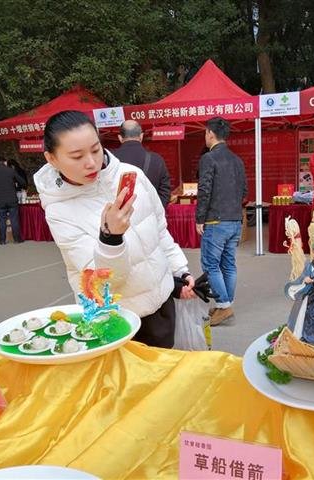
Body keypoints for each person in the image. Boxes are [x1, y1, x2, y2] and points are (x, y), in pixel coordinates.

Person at [34, 110, 195, 348]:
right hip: (115, 319)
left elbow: (159, 229)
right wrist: (111, 238)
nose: (91, 162)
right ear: (52, 158)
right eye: (77, 156)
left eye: (96, 149)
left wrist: (179, 270)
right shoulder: (59, 211)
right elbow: (101, 281)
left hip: (161, 306)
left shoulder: (133, 175)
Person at [195, 117, 248, 326]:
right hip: (235, 219)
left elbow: (204, 190)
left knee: (210, 264)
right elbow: (245, 191)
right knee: (228, 264)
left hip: (215, 221)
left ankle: (224, 306)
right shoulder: (237, 160)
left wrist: (200, 218)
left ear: (210, 133)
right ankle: (225, 305)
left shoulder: (209, 159)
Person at [113, 120, 171, 207]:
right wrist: (155, 211)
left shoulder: (110, 160)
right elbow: (165, 191)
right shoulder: (157, 160)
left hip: (119, 216)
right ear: (141, 136)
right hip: (149, 216)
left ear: (120, 138)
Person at [0, 156, 26, 244]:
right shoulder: (11, 170)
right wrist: (15, 187)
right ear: (4, 162)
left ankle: (2, 240)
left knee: (1, 220)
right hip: (12, 199)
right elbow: (22, 182)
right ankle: (17, 239)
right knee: (14, 219)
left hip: (0, 200)